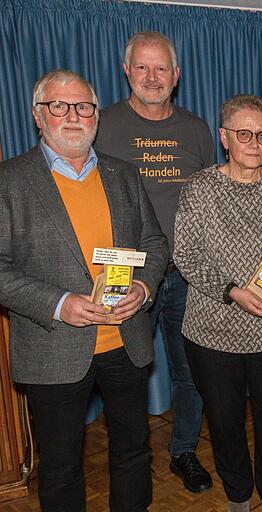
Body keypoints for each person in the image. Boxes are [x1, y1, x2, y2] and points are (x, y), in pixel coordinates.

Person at [0, 69, 168, 511]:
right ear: (39, 115)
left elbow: (154, 243)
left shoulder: (123, 175)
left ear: (96, 115)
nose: (72, 116)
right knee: (60, 466)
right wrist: (58, 303)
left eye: (83, 107)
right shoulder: (9, 180)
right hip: (53, 347)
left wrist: (145, 288)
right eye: (59, 106)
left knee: (133, 451)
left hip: (124, 341)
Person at [174, 95, 262, 512]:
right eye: (244, 134)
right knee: (224, 419)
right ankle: (237, 493)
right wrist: (234, 291)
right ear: (224, 138)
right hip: (212, 331)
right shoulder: (199, 189)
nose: (254, 143)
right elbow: (186, 254)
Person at [95, 31, 215, 493]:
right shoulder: (101, 126)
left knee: (191, 374)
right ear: (127, 71)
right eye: (142, 67)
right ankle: (130, 461)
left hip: (186, 277)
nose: (151, 77)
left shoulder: (196, 129)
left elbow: (212, 200)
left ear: (176, 75)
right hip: (125, 278)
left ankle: (183, 451)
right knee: (124, 376)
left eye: (160, 68)